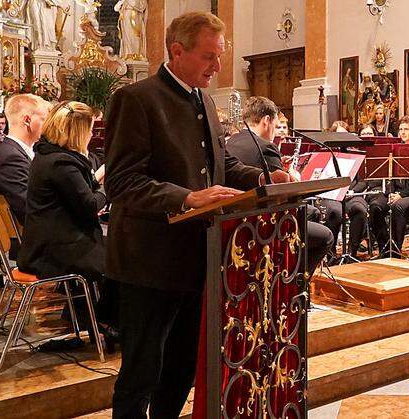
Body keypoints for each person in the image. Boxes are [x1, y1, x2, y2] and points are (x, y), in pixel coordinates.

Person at [105, 12, 290, 418]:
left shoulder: (203, 98)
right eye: (209, 56)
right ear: (177, 51)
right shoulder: (137, 99)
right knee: (142, 371)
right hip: (149, 259)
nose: (219, 66)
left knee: (182, 368)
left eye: (219, 55)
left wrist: (264, 177)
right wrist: (188, 198)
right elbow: (121, 182)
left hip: (198, 255)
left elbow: (220, 165)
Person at [17, 101, 117, 340]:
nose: (92, 134)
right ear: (77, 131)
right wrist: (110, 188)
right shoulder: (61, 163)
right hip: (53, 251)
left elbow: (84, 196)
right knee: (123, 259)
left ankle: (89, 319)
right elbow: (91, 205)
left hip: (51, 241)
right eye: (90, 129)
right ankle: (107, 322)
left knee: (115, 251)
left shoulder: (50, 155)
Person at [225, 96, 335, 270]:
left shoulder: (230, 142)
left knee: (311, 213)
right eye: (276, 126)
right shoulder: (266, 147)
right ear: (266, 120)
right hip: (259, 222)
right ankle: (294, 286)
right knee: (325, 236)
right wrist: (295, 179)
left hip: (232, 217)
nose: (275, 132)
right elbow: (283, 196)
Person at [368, 115, 409, 256]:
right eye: (400, 129)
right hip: (396, 192)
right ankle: (385, 246)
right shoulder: (394, 149)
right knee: (375, 206)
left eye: (406, 129)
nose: (402, 132)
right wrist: (391, 193)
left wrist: (401, 195)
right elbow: (389, 175)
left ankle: (395, 249)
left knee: (399, 206)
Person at [0, 93, 51, 225]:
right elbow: (29, 209)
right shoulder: (11, 157)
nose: (48, 126)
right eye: (44, 120)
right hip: (23, 239)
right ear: (27, 120)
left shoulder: (17, 150)